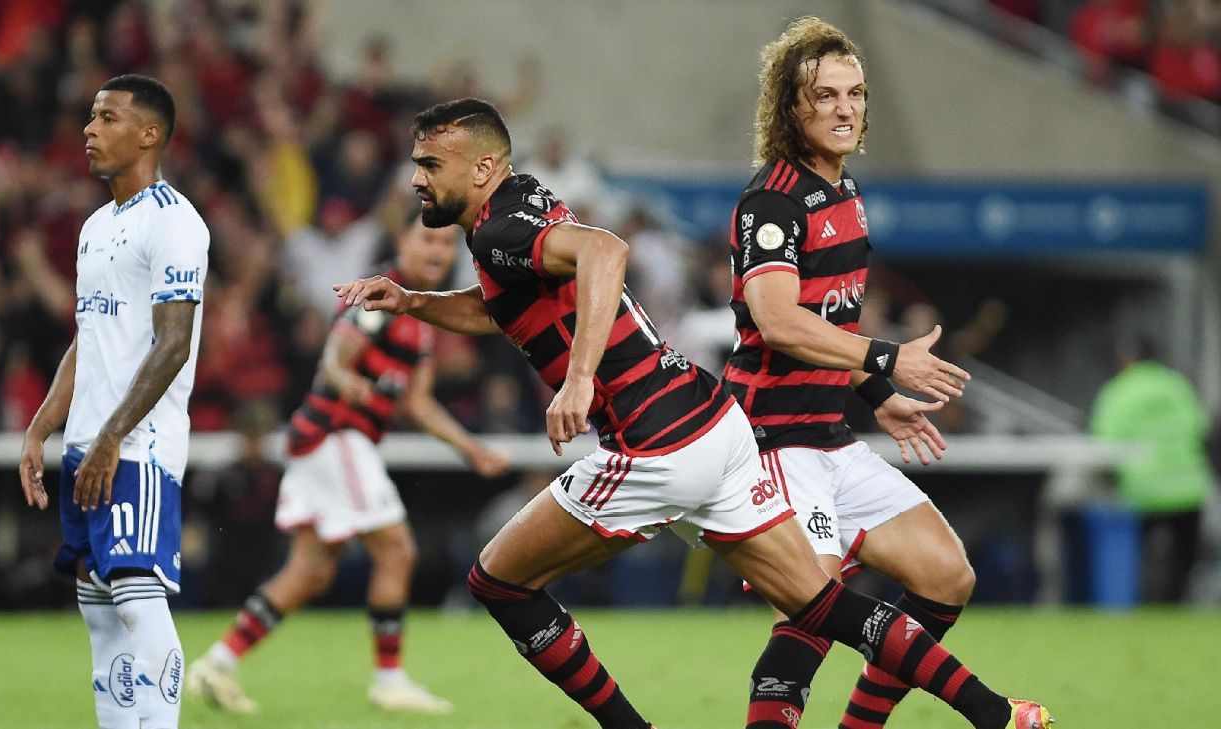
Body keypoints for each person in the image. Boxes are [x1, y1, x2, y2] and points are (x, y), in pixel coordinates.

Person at [334, 97, 1052, 729]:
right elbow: (507, 307)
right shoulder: (516, 209)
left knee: (497, 580)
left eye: (430, 162)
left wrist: (579, 379)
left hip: (653, 445)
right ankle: (996, 712)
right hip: (716, 423)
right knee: (821, 606)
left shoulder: (497, 233)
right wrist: (414, 301)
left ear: (483, 168)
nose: (417, 177)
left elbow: (606, 252)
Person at [721, 18, 1017, 729]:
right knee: (810, 611)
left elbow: (832, 324)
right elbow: (777, 319)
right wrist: (889, 358)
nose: (845, 108)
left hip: (828, 435)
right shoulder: (773, 199)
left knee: (947, 575)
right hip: (770, 440)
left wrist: (878, 394)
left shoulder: (846, 190)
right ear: (792, 108)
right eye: (825, 95)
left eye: (854, 93)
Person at [186, 215, 511, 714]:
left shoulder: (420, 311)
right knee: (397, 550)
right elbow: (338, 351)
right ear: (401, 240)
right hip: (337, 436)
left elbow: (418, 404)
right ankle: (389, 680)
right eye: (426, 237)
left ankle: (216, 665)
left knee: (310, 572)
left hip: (322, 442)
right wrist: (343, 377)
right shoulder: (383, 293)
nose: (437, 250)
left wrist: (472, 449)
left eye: (446, 242)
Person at [18, 74, 207, 729]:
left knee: (138, 605)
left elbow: (173, 342)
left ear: (148, 133)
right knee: (100, 616)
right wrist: (44, 423)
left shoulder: (176, 223)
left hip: (137, 446)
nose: (88, 131)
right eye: (91, 118)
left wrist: (110, 437)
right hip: (87, 445)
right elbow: (91, 333)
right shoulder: (96, 226)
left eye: (106, 118)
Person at [1090, 335, 1213, 602]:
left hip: (1141, 489)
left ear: (1125, 360)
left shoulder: (1118, 391)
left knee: (1134, 559)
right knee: (1183, 560)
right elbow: (1201, 430)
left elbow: (1105, 444)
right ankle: (1176, 603)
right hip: (1188, 487)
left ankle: (1138, 602)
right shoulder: (1177, 385)